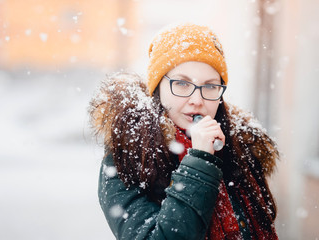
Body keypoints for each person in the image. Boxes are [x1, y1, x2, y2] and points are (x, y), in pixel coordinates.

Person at [89, 23, 279, 239]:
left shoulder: (239, 148)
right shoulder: (131, 154)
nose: (197, 100)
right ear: (158, 87)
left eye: (209, 86)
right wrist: (200, 162)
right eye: (181, 84)